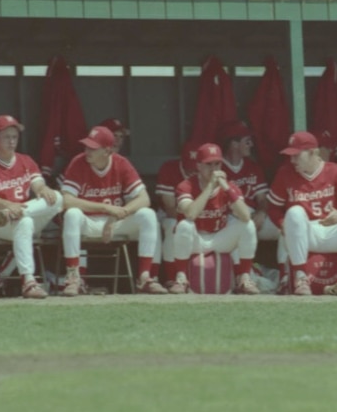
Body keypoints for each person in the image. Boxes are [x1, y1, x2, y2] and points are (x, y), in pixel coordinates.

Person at [267, 131, 337, 296]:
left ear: (313, 152)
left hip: (335, 231)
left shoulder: (335, 170)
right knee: (294, 212)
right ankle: (300, 277)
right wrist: (282, 224)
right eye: (291, 156)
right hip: (307, 235)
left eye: (296, 155)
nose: (292, 160)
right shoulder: (285, 173)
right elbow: (273, 208)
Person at [59, 125, 168, 295]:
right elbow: (66, 200)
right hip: (89, 221)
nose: (87, 151)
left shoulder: (121, 163)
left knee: (148, 215)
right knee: (72, 214)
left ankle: (145, 278)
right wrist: (105, 208)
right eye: (86, 146)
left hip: (114, 223)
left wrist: (119, 214)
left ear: (107, 151)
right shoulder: (78, 162)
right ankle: (74, 278)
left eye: (93, 148)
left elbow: (144, 199)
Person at [0, 115, 63, 299]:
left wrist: (43, 189)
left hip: (19, 215)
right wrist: (7, 206)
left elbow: (37, 184)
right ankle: (28, 282)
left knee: (57, 198)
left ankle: (7, 276)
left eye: (15, 136)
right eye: (6, 137)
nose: (12, 141)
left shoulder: (25, 160)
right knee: (25, 223)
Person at [170, 143, 260, 294]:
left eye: (217, 164)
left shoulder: (228, 187)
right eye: (208, 164)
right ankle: (181, 278)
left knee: (248, 225)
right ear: (198, 165)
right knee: (184, 225)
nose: (213, 169)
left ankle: (244, 277)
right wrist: (210, 187)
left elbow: (246, 215)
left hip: (219, 238)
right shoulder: (186, 185)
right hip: (196, 239)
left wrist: (227, 189)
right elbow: (191, 214)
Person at [218, 120, 287, 280]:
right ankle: (243, 277)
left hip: (255, 217)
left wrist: (262, 212)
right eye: (247, 141)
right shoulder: (219, 167)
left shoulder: (253, 167)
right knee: (239, 228)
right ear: (234, 144)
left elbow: (262, 199)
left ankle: (286, 277)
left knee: (287, 228)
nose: (251, 145)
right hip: (231, 218)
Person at [154, 140, 198, 286]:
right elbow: (170, 208)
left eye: (196, 167)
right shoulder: (169, 168)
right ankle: (172, 277)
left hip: (198, 215)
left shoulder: (207, 171)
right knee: (174, 225)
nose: (193, 171)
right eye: (190, 166)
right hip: (169, 215)